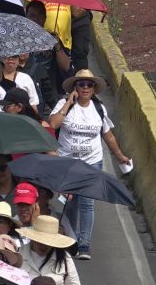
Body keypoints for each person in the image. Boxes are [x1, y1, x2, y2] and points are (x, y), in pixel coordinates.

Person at [47, 72, 128, 260]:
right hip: (68, 163)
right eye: (81, 84)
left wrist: (120, 156)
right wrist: (68, 103)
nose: (85, 88)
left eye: (89, 85)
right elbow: (53, 124)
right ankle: (70, 240)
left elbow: (107, 135)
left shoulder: (99, 108)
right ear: (75, 87)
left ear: (93, 89)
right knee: (69, 203)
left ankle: (84, 245)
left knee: (87, 203)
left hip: (92, 162)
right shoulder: (64, 104)